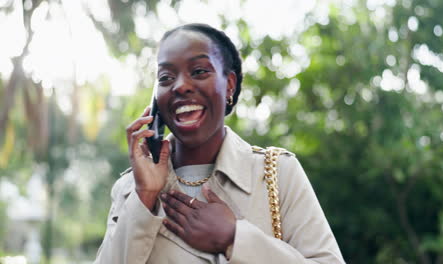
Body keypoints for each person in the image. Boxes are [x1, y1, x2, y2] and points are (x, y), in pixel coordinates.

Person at [94, 23, 345, 264]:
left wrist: (234, 237)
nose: (180, 86)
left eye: (200, 71)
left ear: (230, 86)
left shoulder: (276, 173)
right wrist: (145, 196)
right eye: (166, 77)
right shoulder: (131, 188)